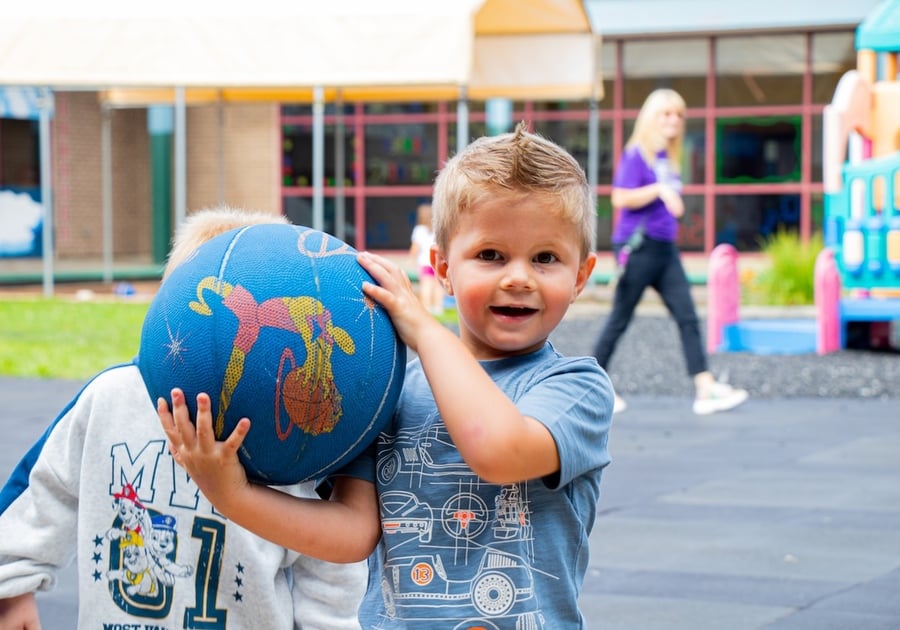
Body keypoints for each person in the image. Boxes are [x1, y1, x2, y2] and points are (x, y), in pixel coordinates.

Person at [158, 122, 615, 628]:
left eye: (545, 258)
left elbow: (496, 451)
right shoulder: (388, 392)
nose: (517, 277)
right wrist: (234, 496)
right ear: (441, 267)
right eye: (490, 255)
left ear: (580, 276)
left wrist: (423, 327)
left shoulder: (575, 389)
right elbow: (352, 534)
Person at [0, 206, 366, 629]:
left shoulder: (299, 437)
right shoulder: (112, 398)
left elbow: (327, 568)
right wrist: (12, 586)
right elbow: (44, 488)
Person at [593, 88, 748, 415]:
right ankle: (591, 388)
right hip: (638, 247)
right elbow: (619, 198)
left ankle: (705, 388)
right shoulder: (637, 154)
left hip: (665, 248)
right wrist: (659, 189)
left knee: (688, 317)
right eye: (666, 114)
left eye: (678, 115)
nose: (674, 121)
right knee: (620, 319)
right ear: (651, 118)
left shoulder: (667, 157)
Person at [408, 202, 444, 315]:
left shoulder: (419, 230)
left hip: (424, 262)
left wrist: (411, 259)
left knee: (425, 285)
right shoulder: (438, 230)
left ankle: (427, 307)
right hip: (437, 261)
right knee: (438, 285)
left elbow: (415, 247)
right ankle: (438, 307)